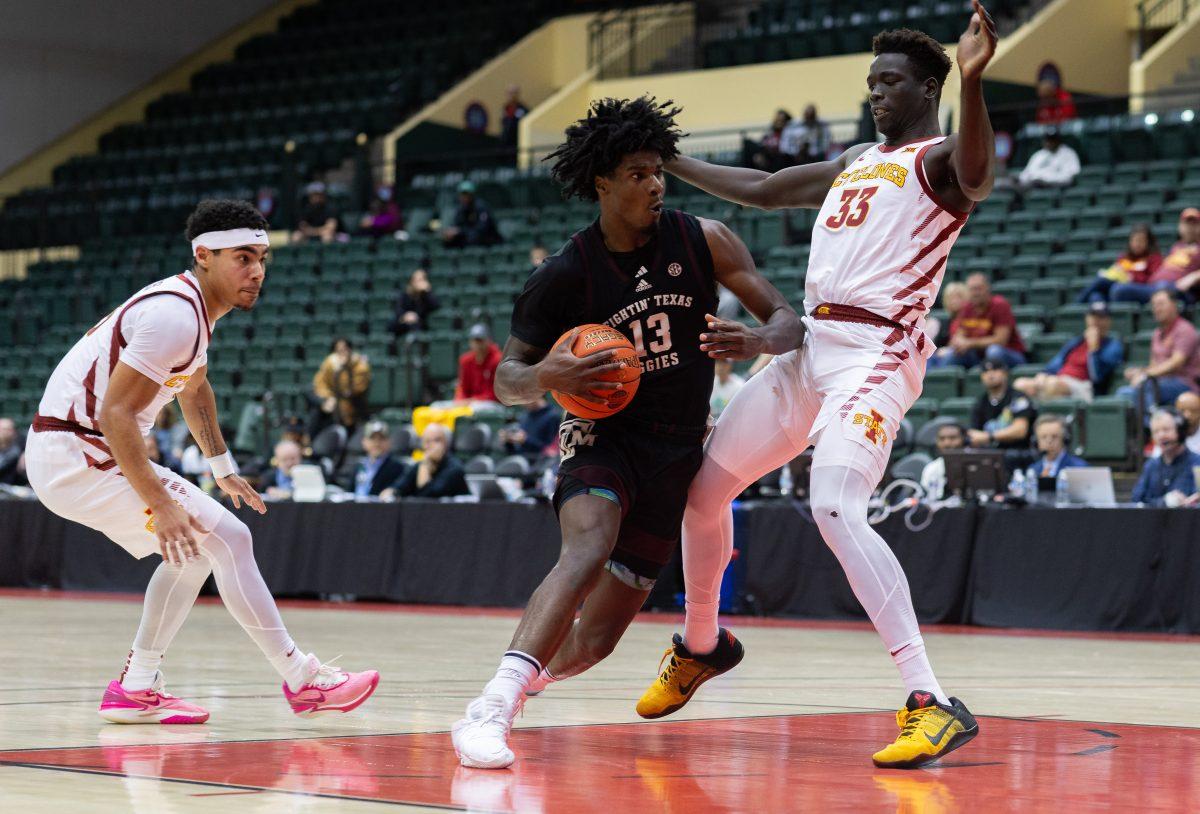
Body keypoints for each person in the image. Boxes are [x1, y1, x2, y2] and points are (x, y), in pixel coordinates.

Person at [630, 11, 999, 770]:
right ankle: (702, 645)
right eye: (871, 83)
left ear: (928, 87)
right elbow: (764, 189)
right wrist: (669, 164)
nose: (876, 94)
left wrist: (976, 76)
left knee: (833, 503)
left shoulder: (937, 162)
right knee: (703, 495)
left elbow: (978, 175)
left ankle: (931, 702)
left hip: (876, 351)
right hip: (810, 349)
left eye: (890, 82)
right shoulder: (861, 157)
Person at [450, 96, 803, 770]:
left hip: (678, 449)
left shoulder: (706, 239)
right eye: (638, 174)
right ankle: (494, 706)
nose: (655, 185)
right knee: (587, 548)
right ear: (603, 183)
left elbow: (790, 322)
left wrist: (757, 337)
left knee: (598, 640)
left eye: (658, 172)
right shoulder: (564, 274)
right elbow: (505, 380)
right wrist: (549, 375)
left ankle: (518, 689)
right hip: (602, 436)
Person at [23, 199, 379, 724]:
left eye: (262, 257)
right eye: (243, 257)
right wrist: (161, 505)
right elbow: (115, 414)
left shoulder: (192, 310)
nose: (256, 270)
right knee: (230, 539)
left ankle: (136, 687)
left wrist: (221, 467)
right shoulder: (174, 315)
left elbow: (194, 389)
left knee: (191, 553)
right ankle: (304, 680)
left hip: (74, 450)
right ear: (203, 255)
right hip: (80, 449)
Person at [1014, 301, 1124, 402]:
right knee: (1020, 384)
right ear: (1087, 319)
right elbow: (1056, 363)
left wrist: (1093, 349)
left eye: (1101, 317)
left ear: (1109, 321)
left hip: (1083, 386)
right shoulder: (1076, 342)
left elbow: (1097, 376)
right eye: (1093, 317)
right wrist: (1043, 375)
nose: (1096, 321)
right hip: (1059, 379)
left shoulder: (1113, 345)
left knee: (1052, 384)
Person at [1117, 289, 1200, 412]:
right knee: (1123, 393)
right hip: (1158, 384)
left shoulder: (1185, 330)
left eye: (1161, 304)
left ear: (1174, 305)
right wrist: (1139, 372)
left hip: (1183, 384)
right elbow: (1154, 366)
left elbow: (1176, 363)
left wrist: (1145, 375)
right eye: (1154, 305)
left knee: (1145, 388)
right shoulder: (1157, 334)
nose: (1156, 309)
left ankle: (1151, 426)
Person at [929, 272, 1026, 368]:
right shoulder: (967, 307)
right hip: (978, 356)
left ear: (987, 288)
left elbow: (1000, 340)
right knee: (952, 353)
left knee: (994, 350)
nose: (975, 293)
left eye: (978, 289)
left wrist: (969, 343)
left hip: (1010, 354)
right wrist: (959, 343)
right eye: (972, 289)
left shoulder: (1000, 305)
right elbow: (960, 335)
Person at [1075, 224, 1162, 304]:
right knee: (1095, 296)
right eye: (1134, 240)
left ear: (1148, 242)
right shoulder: (1124, 257)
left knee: (1103, 282)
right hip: (1115, 287)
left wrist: (1131, 276)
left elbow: (1153, 281)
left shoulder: (1154, 258)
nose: (1137, 244)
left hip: (1134, 290)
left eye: (1141, 240)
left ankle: (1077, 304)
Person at [1131, 410, 1200, 507]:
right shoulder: (1151, 465)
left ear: (1180, 431)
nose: (1161, 436)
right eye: (1156, 432)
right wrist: (1164, 502)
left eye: (1166, 430)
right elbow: (1136, 499)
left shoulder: (1197, 463)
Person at [384, 423, 468, 499]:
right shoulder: (417, 466)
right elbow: (399, 487)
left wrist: (425, 464)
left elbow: (427, 497)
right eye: (427, 441)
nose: (431, 445)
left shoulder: (455, 468)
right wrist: (390, 492)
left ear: (446, 443)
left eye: (437, 440)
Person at [968, 359, 1036, 451]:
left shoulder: (1018, 398)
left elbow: (1020, 430)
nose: (990, 374)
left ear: (1005, 373)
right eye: (985, 371)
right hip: (989, 454)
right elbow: (974, 433)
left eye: (995, 370)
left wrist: (990, 436)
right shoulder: (980, 403)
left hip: (1017, 452)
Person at [312, 337, 371, 433]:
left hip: (354, 403)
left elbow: (357, 388)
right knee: (316, 409)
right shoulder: (329, 362)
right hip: (333, 402)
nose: (342, 353)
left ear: (350, 350)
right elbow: (320, 384)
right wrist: (329, 398)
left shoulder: (360, 365)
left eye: (345, 349)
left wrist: (343, 367)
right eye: (338, 350)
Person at [1024, 415, 1087, 487]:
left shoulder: (1079, 468)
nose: (1049, 441)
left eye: (1054, 436)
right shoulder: (1033, 470)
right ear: (1036, 441)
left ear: (1065, 439)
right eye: (1044, 437)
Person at [353, 420, 408, 498]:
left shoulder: (397, 467)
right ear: (364, 442)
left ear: (389, 441)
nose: (377, 442)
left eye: (381, 438)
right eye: (372, 438)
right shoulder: (358, 465)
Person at [442, 181, 502, 248]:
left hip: (487, 241)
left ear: (472, 195)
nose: (464, 197)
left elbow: (482, 229)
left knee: (474, 237)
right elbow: (457, 224)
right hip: (469, 238)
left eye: (466, 194)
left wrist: (461, 231)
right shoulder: (461, 209)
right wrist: (452, 231)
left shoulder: (481, 207)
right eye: (462, 194)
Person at [455, 324, 502, 402]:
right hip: (470, 403)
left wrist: (473, 400)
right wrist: (460, 400)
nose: (478, 345)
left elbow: (496, 393)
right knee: (437, 406)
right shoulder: (466, 360)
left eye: (480, 340)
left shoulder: (497, 359)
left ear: (488, 340)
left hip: (492, 404)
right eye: (475, 341)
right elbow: (463, 388)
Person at [919, 422, 965, 499]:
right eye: (942, 439)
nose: (947, 443)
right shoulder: (931, 468)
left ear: (964, 439)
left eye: (953, 438)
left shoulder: (976, 466)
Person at [392, 268, 440, 335]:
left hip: (421, 324)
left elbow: (436, 306)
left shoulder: (426, 295)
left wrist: (428, 292)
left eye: (422, 280)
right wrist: (405, 316)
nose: (419, 283)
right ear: (412, 281)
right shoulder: (405, 295)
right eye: (417, 280)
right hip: (405, 323)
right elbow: (398, 310)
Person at [927, 280, 967, 348]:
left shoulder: (967, 318)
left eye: (958, 297)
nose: (954, 301)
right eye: (951, 297)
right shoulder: (947, 321)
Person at [500, 85, 529, 149]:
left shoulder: (523, 109)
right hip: (506, 143)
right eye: (510, 93)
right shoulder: (505, 108)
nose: (512, 95)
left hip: (517, 142)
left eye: (514, 93)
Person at [0, 417, 26, 485]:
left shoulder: (20, 446)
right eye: (3, 429)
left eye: (9, 429)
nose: (5, 432)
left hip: (13, 487)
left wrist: (25, 453)